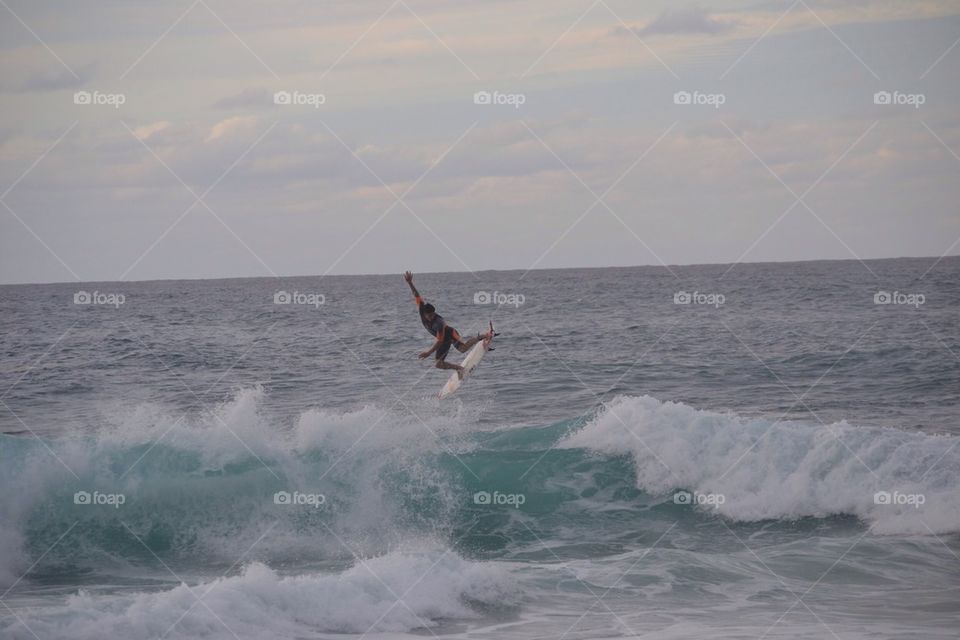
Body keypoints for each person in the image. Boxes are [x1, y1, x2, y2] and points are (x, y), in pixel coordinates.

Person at [404, 271, 485, 379]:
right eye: (430, 315)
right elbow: (416, 294)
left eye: (433, 314)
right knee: (438, 364)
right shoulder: (422, 308)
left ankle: (482, 336)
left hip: (450, 334)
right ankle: (459, 368)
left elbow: (439, 341)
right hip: (442, 340)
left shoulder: (439, 323)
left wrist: (428, 353)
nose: (432, 317)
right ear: (425, 313)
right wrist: (410, 283)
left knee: (463, 349)